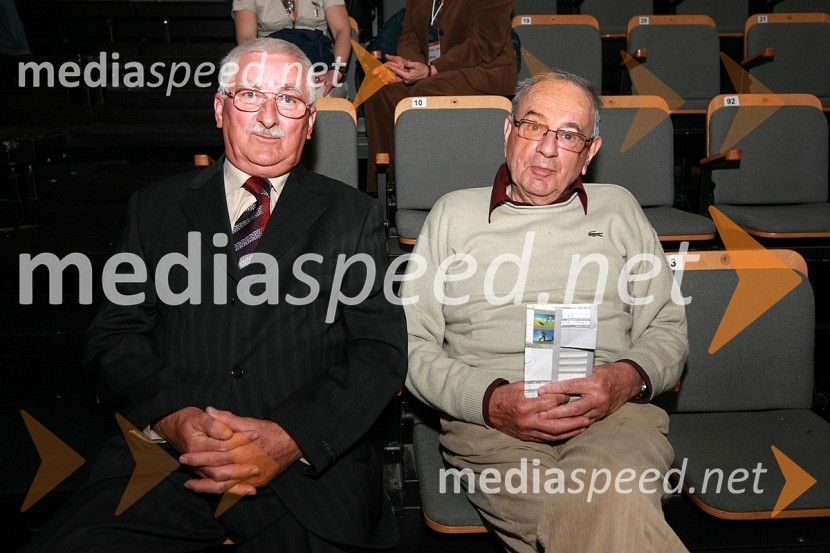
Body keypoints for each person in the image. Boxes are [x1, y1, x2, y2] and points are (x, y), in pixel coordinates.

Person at [19, 38, 407, 553]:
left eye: (289, 100)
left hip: (306, 470)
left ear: (310, 122)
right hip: (168, 461)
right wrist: (175, 417)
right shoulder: (155, 208)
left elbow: (379, 351)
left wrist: (289, 438)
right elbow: (114, 337)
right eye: (250, 95)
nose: (269, 116)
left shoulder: (353, 216)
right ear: (220, 109)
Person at [402, 70, 689, 552]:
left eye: (569, 135)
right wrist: (491, 401)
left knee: (601, 504)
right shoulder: (453, 215)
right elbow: (411, 344)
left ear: (590, 152)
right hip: (492, 425)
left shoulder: (618, 209)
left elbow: (667, 327)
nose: (548, 148)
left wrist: (620, 381)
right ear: (508, 131)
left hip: (612, 414)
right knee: (613, 510)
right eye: (534, 126)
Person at [363, 0, 517, 192]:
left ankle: (425, 185)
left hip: (482, 71)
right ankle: (385, 188)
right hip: (432, 74)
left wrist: (432, 70)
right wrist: (410, 66)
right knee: (379, 89)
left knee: (425, 94)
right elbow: (409, 34)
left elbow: (484, 44)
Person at [232, 0, 352, 98]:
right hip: (272, 70)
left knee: (320, 98)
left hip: (318, 70)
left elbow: (341, 30)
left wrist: (337, 70)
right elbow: (247, 39)